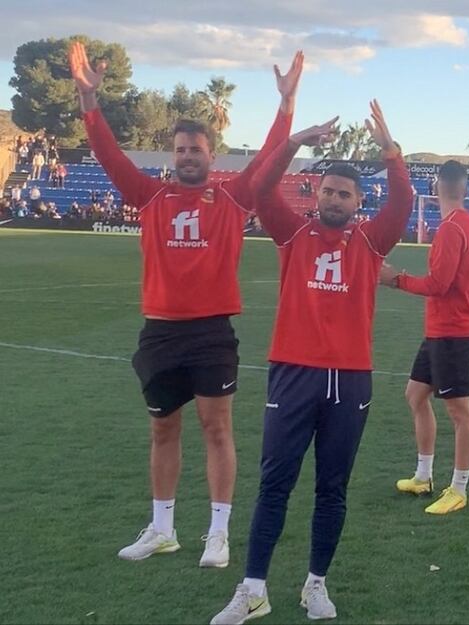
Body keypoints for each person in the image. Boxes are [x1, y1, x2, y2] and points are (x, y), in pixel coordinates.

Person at [70, 41, 304, 567]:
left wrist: (286, 106)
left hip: (211, 332)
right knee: (162, 426)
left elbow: (269, 158)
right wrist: (90, 103)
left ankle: (217, 533)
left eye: (196, 149)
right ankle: (162, 528)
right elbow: (108, 154)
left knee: (216, 427)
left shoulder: (233, 198)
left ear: (211, 155)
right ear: (172, 154)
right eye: (180, 149)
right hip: (159, 332)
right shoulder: (148, 195)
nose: (187, 156)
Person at [210, 104, 413, 625]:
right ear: (316, 194)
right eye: (327, 191)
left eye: (344, 193)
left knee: (332, 487)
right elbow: (261, 186)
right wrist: (297, 137)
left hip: (350, 378)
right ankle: (253, 588)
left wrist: (390, 147)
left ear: (357, 202)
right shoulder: (291, 232)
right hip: (293, 373)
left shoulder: (371, 240)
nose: (334, 199)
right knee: (275, 481)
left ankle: (315, 584)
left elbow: (404, 198)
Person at [382, 159, 469, 515]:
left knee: (460, 412)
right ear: (466, 187)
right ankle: (423, 476)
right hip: (442, 330)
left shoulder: (451, 229)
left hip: (453, 332)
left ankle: (458, 488)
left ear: (438, 186)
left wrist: (395, 279)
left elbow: (438, 284)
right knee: (415, 395)